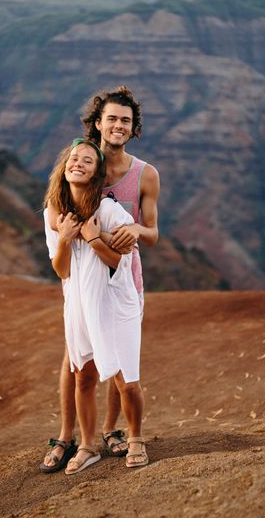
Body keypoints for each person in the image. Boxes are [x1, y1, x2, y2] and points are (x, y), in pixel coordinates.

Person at [40, 86, 159, 472]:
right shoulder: (82, 166)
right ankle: (69, 435)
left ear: (133, 127)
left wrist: (134, 232)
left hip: (124, 278)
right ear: (98, 123)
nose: (118, 126)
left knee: (119, 361)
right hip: (80, 282)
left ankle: (112, 431)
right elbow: (58, 229)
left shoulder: (144, 174)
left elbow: (153, 233)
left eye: (126, 120)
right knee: (76, 362)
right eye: (111, 118)